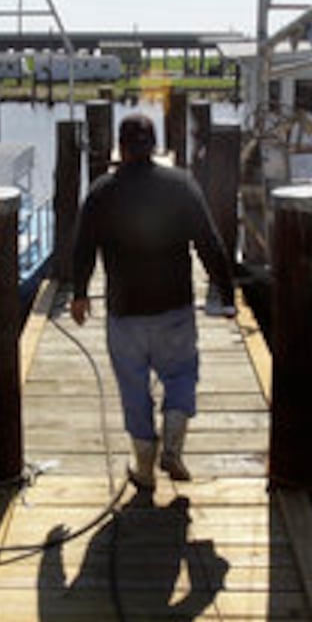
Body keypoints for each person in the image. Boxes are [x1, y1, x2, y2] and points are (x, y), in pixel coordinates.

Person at [70, 113, 236, 490]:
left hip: (124, 312)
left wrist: (79, 294)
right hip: (174, 308)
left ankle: (144, 470)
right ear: (154, 146)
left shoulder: (101, 192)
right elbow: (210, 243)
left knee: (133, 386)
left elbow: (82, 248)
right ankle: (174, 444)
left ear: (121, 147)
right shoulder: (181, 186)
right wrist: (226, 295)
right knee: (180, 374)